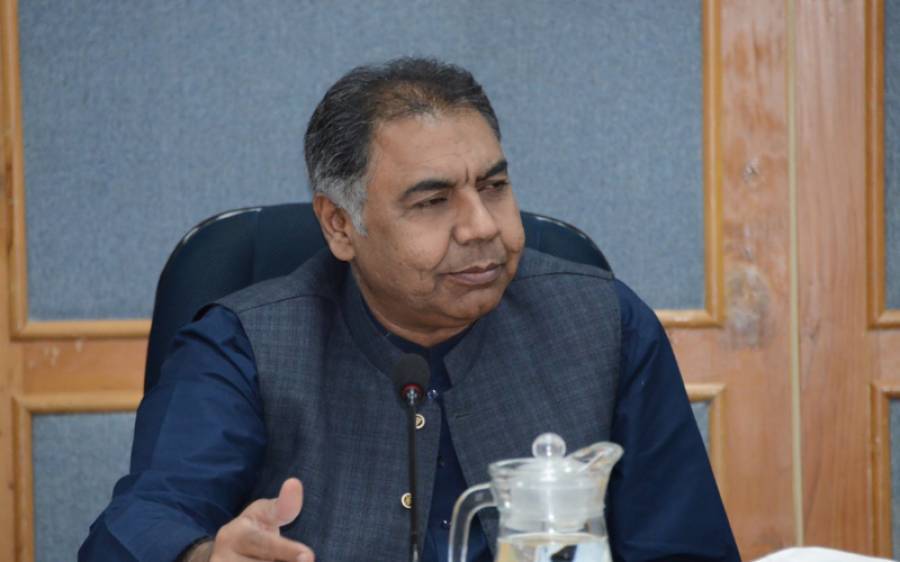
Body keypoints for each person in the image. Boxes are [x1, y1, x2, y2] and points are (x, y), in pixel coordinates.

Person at [80, 57, 740, 562]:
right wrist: (203, 557)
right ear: (340, 225)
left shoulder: (605, 324)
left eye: (494, 186)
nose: (482, 226)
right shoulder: (243, 346)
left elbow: (686, 547)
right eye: (432, 202)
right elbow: (136, 526)